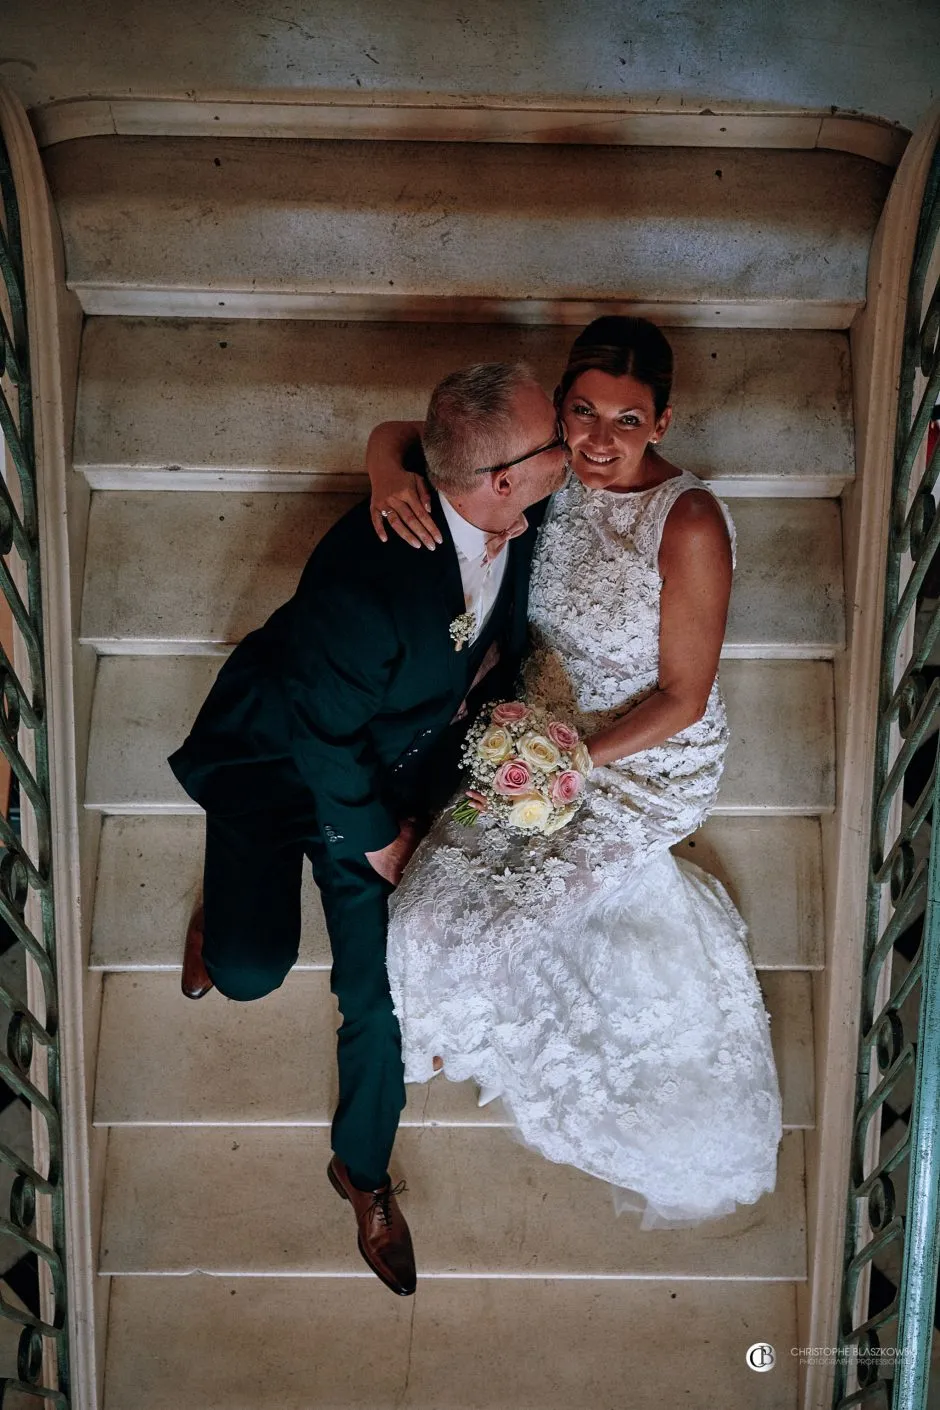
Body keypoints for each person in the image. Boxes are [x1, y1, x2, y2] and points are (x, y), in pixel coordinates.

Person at [366, 316, 783, 1227]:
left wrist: (566, 763)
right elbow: (411, 435)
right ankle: (433, 1019)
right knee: (426, 906)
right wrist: (385, 471)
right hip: (540, 731)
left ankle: (473, 1020)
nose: (597, 442)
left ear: (662, 422)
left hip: (644, 761)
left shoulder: (690, 522)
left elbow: (682, 693)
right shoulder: (548, 465)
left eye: (626, 422)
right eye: (583, 412)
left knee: (486, 933)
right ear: (558, 408)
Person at [167, 362, 568, 1293]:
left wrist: (389, 463)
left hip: (396, 761)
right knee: (250, 970)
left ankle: (362, 1171)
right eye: (557, 441)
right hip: (287, 764)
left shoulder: (513, 501)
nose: (569, 454)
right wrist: (383, 839)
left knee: (376, 994)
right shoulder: (369, 577)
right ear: (500, 477)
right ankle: (226, 914)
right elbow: (320, 731)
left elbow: (404, 434)